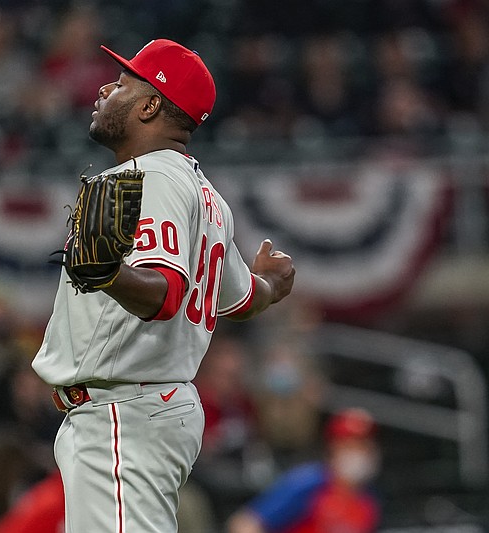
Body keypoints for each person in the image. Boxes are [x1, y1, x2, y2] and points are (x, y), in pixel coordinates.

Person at [31, 38, 295, 533]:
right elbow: (237, 299)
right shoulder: (206, 194)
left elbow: (167, 292)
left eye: (123, 82)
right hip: (146, 407)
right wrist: (272, 284)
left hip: (124, 410)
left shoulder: (151, 176)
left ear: (151, 104)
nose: (106, 88)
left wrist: (107, 271)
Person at [226, 408, 381, 533]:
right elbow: (245, 524)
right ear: (333, 449)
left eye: (363, 447)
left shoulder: (368, 502)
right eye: (349, 446)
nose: (358, 453)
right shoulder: (309, 482)